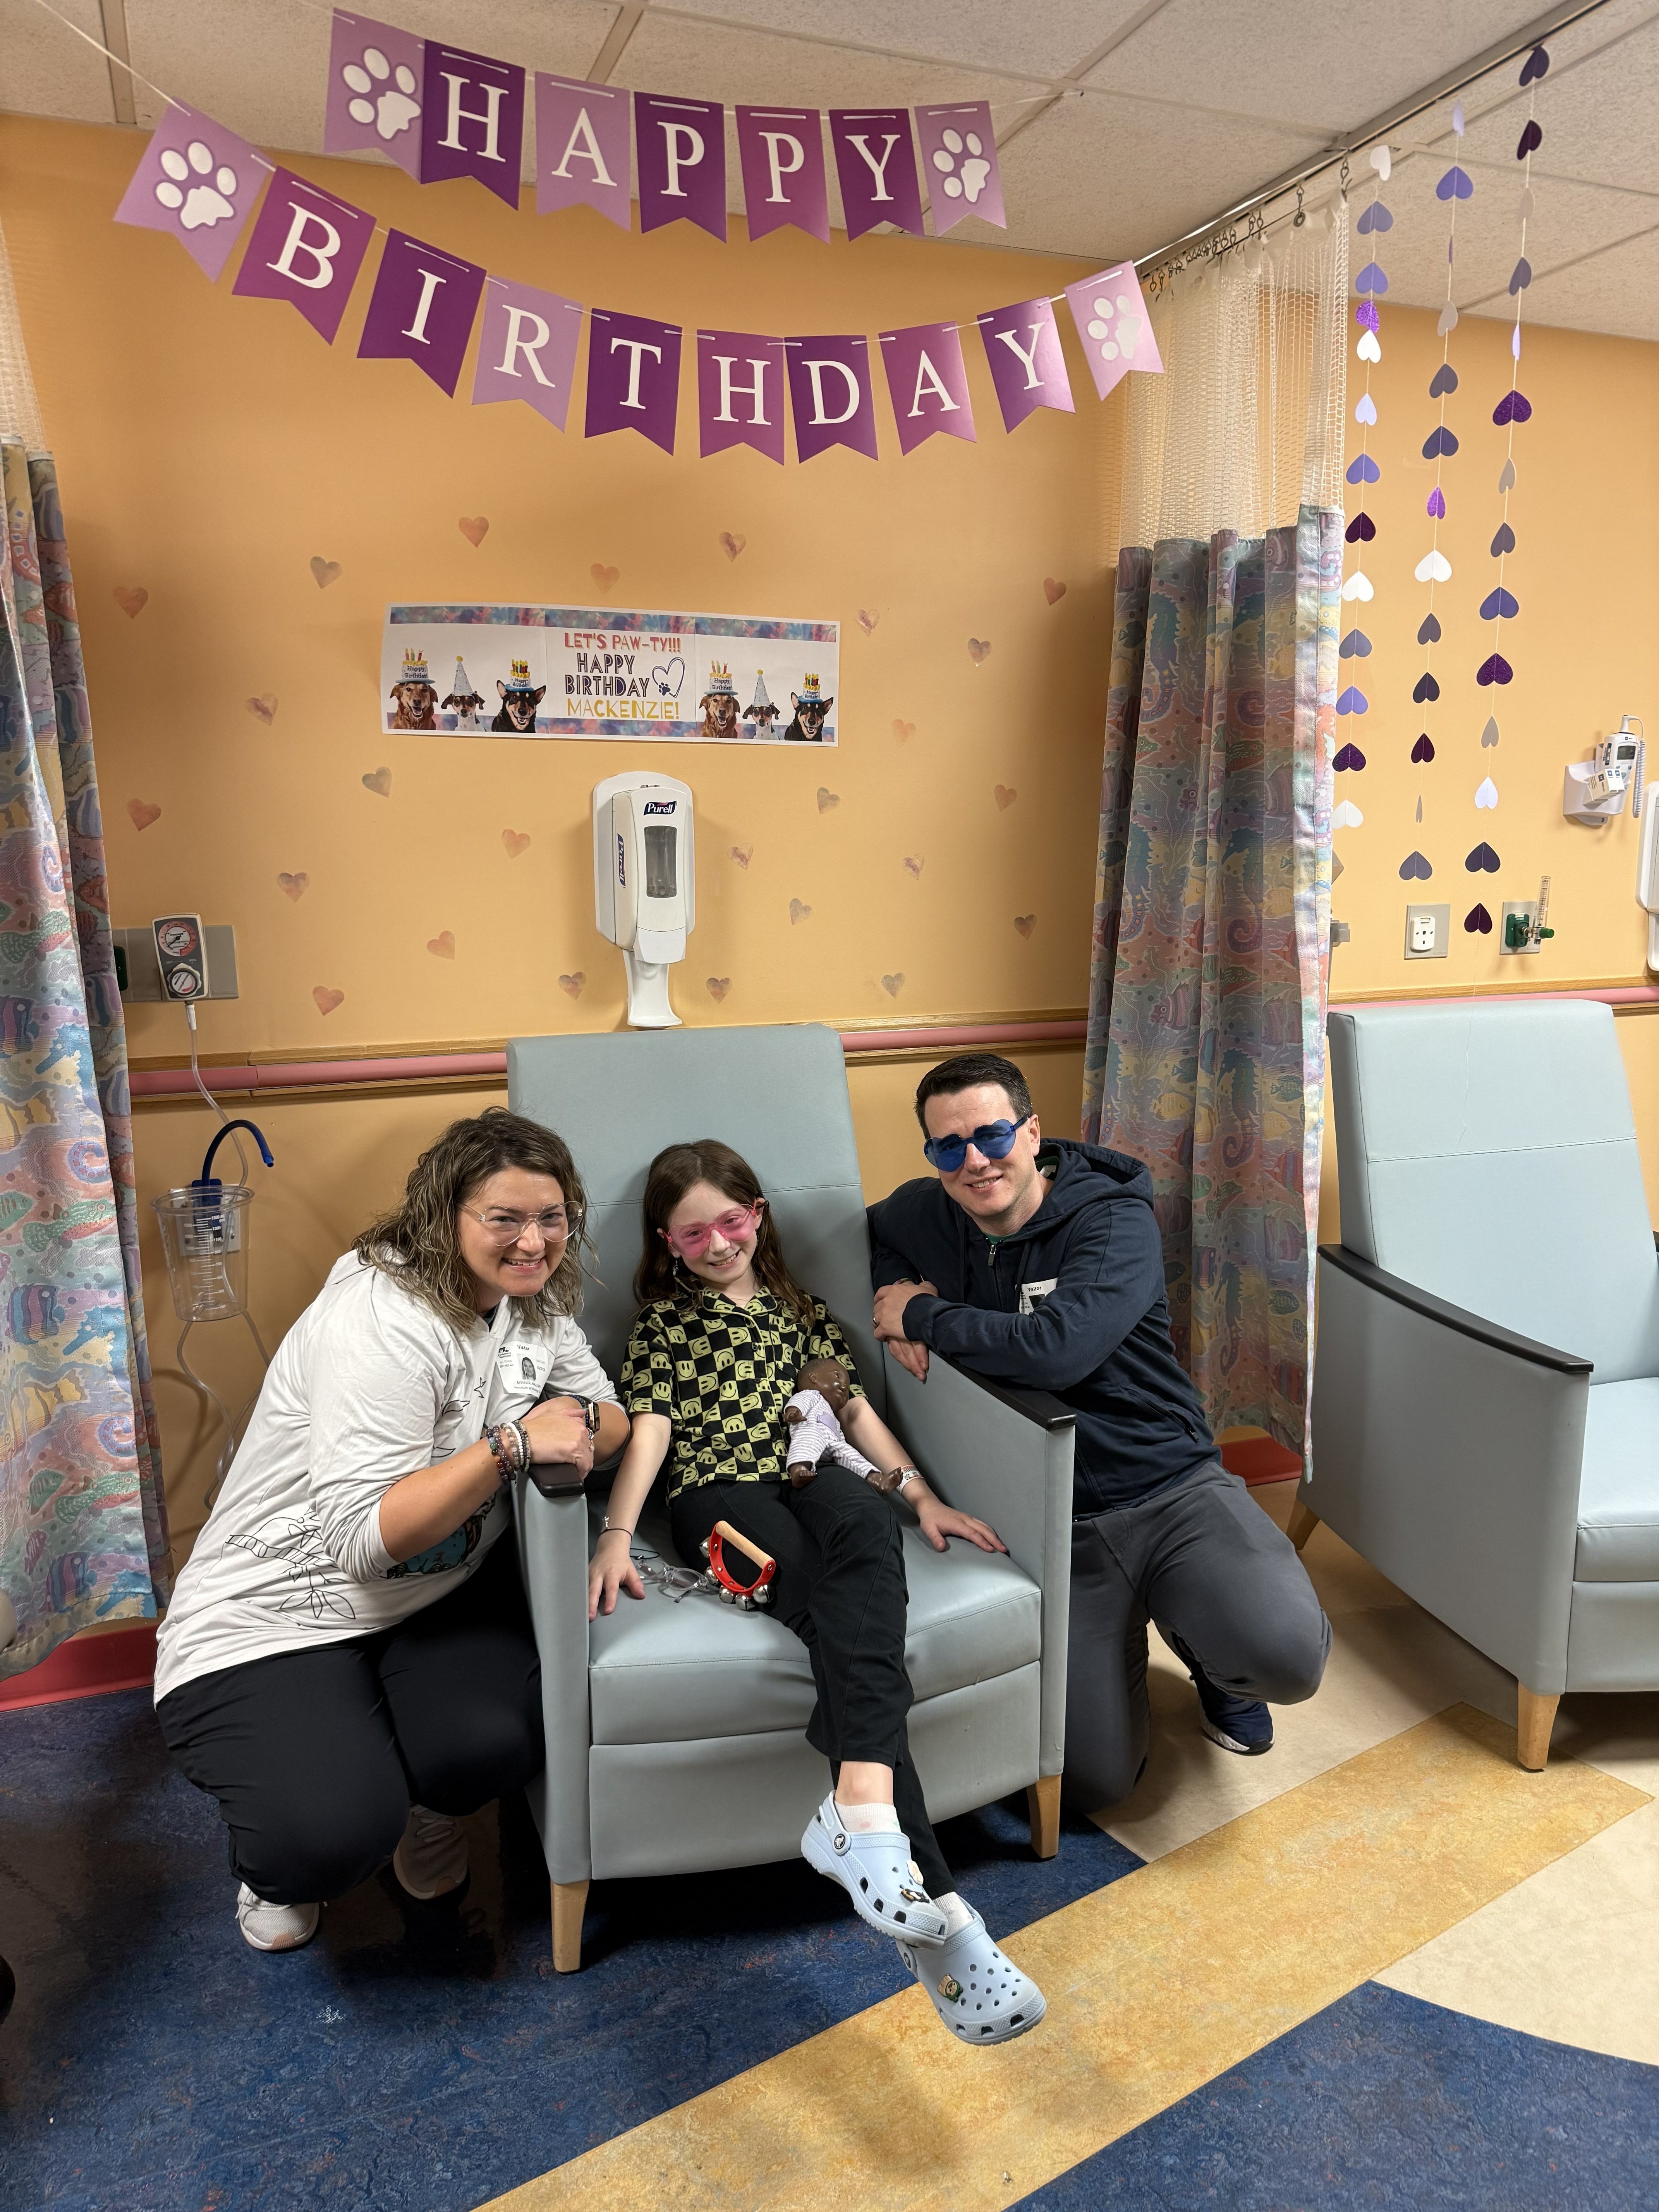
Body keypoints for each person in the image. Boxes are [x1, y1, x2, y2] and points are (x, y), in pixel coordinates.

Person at [588, 1139, 1047, 2045]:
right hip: (718, 1500)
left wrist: (924, 1497)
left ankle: (859, 1815)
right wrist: (614, 1532)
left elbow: (855, 1413)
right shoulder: (662, 1326)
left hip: (813, 1473)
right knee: (847, 1636)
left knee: (874, 1527)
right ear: (666, 1242)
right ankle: (946, 1924)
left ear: (758, 1215)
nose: (718, 1244)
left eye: (731, 1221)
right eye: (693, 1233)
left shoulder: (801, 1311)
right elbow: (648, 1430)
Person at [155, 1109, 630, 1953]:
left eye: (552, 1218)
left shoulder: (534, 1308)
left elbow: (612, 1420)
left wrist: (579, 1421)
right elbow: (366, 1542)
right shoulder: (383, 1320)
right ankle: (279, 1865)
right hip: (278, 1613)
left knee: (490, 1745)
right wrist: (514, 1443)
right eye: (504, 1219)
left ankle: (424, 1802)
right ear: (445, 1217)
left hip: (433, 1599)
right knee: (324, 1839)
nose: (534, 1241)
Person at [867, 1053, 1330, 1814]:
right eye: (949, 1147)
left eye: (992, 1135)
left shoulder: (1112, 1217)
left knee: (1285, 1657)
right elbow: (875, 1228)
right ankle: (1129, 1634)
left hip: (1170, 1485)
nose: (975, 1161)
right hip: (1059, 1526)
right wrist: (896, 1284)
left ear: (1032, 1131)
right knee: (1092, 1788)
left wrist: (922, 1317)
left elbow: (1061, 1347)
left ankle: (1210, 1653)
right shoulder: (929, 1211)